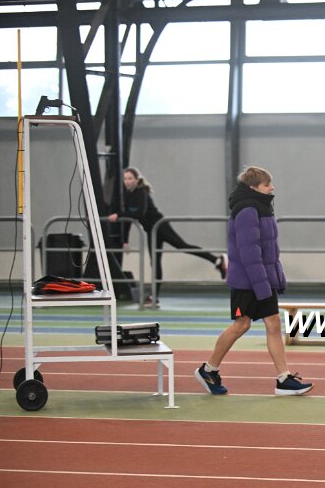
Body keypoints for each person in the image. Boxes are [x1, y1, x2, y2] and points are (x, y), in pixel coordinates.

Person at [194, 166, 313, 396]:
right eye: (267, 184)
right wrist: (262, 285)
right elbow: (249, 252)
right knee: (242, 325)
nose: (272, 187)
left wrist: (275, 277)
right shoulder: (247, 210)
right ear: (253, 187)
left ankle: (284, 379)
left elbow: (269, 250)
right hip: (247, 282)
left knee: (273, 324)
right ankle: (208, 370)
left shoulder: (263, 207)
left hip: (261, 279)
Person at [108, 167, 227, 308]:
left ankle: (217, 260)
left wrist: (119, 215)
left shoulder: (141, 193)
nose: (127, 181)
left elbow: (139, 214)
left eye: (130, 178)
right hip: (151, 231)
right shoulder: (129, 196)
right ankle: (154, 297)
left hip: (160, 227)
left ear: (137, 180)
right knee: (155, 262)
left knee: (182, 246)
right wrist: (125, 241)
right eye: (125, 179)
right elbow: (129, 221)